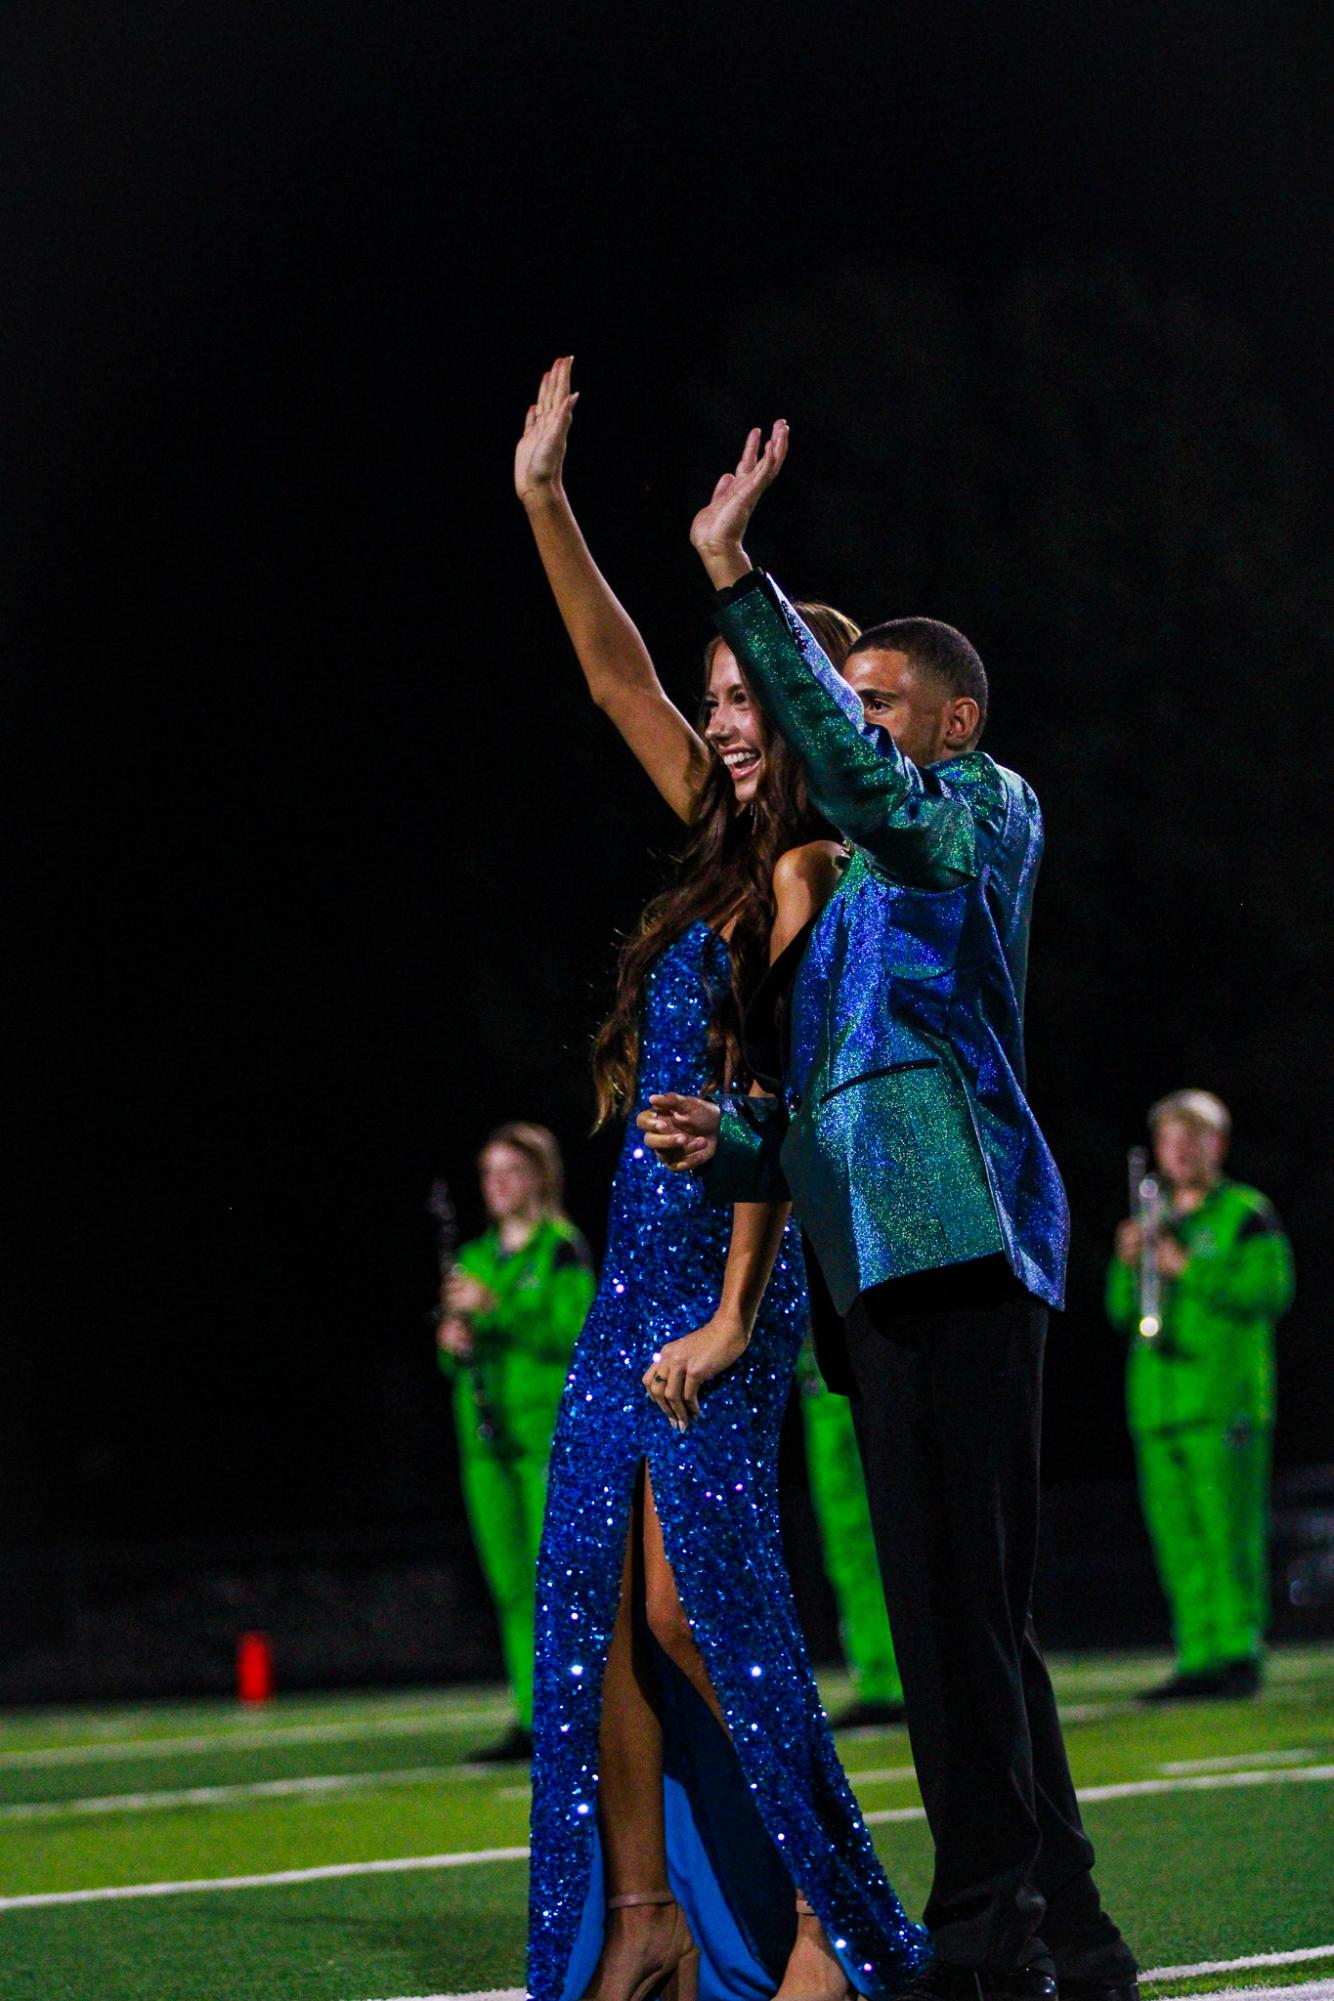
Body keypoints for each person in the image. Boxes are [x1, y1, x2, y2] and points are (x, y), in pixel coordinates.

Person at [640, 422, 1139, 2001]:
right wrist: (732, 1143)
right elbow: (828, 1110)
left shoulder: (976, 810)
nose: (849, 734)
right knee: (962, 1622)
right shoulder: (854, 882)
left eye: (875, 707)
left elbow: (866, 785)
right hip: (882, 1260)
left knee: (953, 1627)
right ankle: (1069, 1930)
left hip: (961, 1242)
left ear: (951, 718)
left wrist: (736, 583)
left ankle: (988, 1932)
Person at [515, 360, 923, 2001]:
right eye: (725, 705)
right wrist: (543, 501)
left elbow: (776, 1094)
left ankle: (831, 1925)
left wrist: (740, 1311)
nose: (731, 727)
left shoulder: (817, 869)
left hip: (717, 1288)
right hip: (626, 1280)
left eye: (755, 703)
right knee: (593, 1615)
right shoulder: (710, 837)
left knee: (705, 1621)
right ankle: (641, 1924)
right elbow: (617, 682)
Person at [1106, 1089, 1294, 1702]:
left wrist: (1190, 1267)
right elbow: (1118, 1312)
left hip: (1222, 1403)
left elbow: (1270, 1290)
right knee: (1177, 1539)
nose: (1181, 1150)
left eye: (1195, 1137)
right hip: (1159, 1408)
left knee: (1227, 1533)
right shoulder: (1152, 1218)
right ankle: (1196, 1654)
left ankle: (1237, 1652)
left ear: (1219, 1144)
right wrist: (1127, 1263)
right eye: (1171, 1139)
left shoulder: (1245, 1212)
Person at [438, 1122, 596, 1762]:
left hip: (545, 1439)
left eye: (509, 1170)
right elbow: (459, 1352)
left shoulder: (561, 1249)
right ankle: (534, 1718)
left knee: (560, 1581)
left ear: (540, 1177)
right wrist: (453, 1342)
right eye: (488, 1172)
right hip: (487, 1444)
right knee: (510, 1585)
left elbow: (576, 1335)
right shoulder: (475, 1254)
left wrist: (495, 1308)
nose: (496, 1184)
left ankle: (577, 1715)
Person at [798, 1339, 904, 1728]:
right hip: (820, 1386)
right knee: (848, 1548)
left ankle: (915, 1674)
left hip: (868, 1364)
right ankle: (879, 1680)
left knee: (901, 1529)